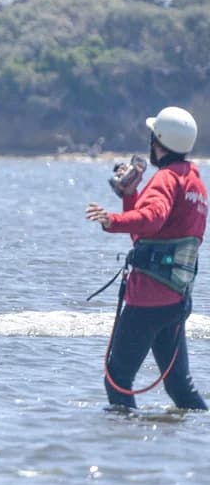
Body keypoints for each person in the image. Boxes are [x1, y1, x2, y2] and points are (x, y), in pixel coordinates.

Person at [85, 106, 209, 410]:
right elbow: (149, 234)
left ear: (158, 140)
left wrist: (112, 220)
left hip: (148, 301)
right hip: (176, 301)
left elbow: (151, 219)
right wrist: (130, 194)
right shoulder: (194, 181)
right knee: (180, 386)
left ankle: (124, 450)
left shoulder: (165, 179)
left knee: (117, 377)